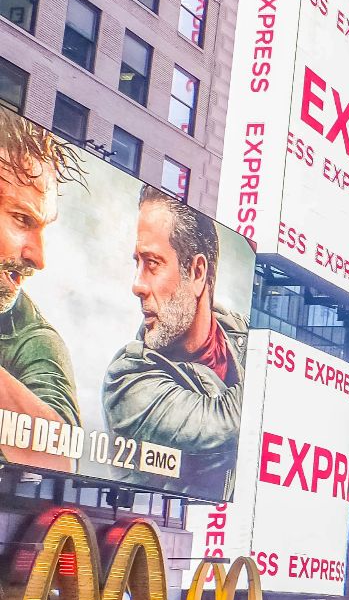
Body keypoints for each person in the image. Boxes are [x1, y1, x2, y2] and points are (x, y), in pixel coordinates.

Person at [102, 186, 247, 498]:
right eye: (137, 263)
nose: (137, 285)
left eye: (152, 263)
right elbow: (230, 421)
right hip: (164, 522)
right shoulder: (128, 379)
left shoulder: (238, 333)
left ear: (197, 272)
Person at [0, 109, 82, 473]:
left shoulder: (33, 338)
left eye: (42, 227)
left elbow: (57, 456)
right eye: (22, 220)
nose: (39, 258)